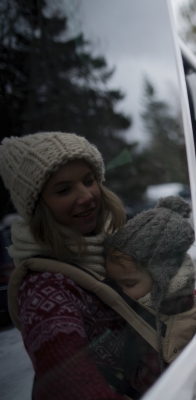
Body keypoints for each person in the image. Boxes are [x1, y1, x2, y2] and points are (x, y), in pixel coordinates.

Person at [0, 132, 127, 399]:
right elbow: (75, 389)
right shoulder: (44, 289)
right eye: (63, 190)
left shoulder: (111, 249)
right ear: (38, 207)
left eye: (89, 180)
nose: (87, 196)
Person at [104, 195, 196, 392]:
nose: (120, 291)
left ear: (163, 279)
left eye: (128, 283)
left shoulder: (164, 324)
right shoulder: (149, 303)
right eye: (115, 282)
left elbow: (147, 384)